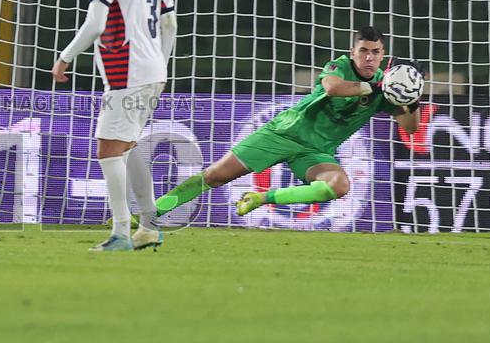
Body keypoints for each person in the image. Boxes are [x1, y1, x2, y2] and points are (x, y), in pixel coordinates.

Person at [156, 26, 420, 217]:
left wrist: (411, 97)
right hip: (283, 134)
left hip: (316, 151)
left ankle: (262, 198)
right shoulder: (339, 66)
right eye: (363, 51)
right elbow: (332, 88)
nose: (369, 57)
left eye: (375, 52)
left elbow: (411, 128)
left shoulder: (387, 90)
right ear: (352, 52)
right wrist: (376, 88)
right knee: (214, 176)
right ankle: (151, 212)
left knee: (338, 185)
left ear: (383, 55)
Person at [52, 0, 177, 252]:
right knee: (128, 145)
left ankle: (121, 232)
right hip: (153, 70)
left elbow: (95, 23)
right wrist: (162, 65)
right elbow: (170, 24)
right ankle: (150, 226)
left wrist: (65, 58)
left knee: (108, 149)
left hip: (127, 72)